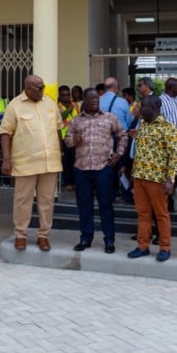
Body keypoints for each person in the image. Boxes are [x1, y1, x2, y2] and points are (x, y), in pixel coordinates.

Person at [0, 74, 63, 252]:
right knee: (22, 201)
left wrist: (60, 151)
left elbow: (58, 129)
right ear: (27, 88)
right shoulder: (15, 105)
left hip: (49, 162)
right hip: (25, 163)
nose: (43, 90)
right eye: (39, 88)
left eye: (43, 87)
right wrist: (6, 159)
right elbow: (5, 132)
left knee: (47, 201)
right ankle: (21, 235)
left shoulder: (50, 103)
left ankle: (43, 236)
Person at [65, 88, 126, 253]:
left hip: (103, 169)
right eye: (91, 99)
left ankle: (109, 240)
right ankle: (85, 238)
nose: (94, 102)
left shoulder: (109, 117)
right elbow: (68, 140)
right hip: (81, 169)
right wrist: (73, 140)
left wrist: (118, 154)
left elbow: (122, 134)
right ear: (85, 99)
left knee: (106, 205)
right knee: (84, 205)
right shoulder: (76, 120)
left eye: (96, 100)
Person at [127, 96, 177, 262]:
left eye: (143, 107)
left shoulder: (168, 128)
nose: (140, 109)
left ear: (155, 107)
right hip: (139, 176)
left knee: (161, 214)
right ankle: (143, 246)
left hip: (157, 179)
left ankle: (164, 247)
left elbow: (174, 156)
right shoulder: (143, 125)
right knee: (143, 213)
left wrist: (170, 179)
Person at [58, 85, 79, 192]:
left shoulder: (76, 105)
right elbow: (60, 119)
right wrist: (68, 110)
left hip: (74, 137)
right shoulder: (57, 107)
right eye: (63, 95)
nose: (66, 97)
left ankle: (75, 182)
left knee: (75, 161)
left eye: (67, 95)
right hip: (62, 138)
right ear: (60, 96)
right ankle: (68, 183)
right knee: (65, 161)